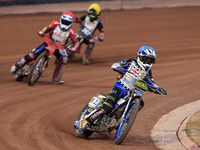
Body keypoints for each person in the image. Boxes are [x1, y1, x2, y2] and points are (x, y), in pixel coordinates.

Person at [78, 46, 167, 130]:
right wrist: (119, 68)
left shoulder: (147, 72)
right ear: (139, 57)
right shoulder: (131, 62)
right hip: (120, 87)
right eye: (146, 59)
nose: (147, 62)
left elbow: (152, 83)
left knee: (141, 103)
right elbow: (118, 65)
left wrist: (159, 89)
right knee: (108, 107)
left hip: (133, 92)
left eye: (150, 60)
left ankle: (123, 119)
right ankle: (86, 121)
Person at [10, 11, 80, 84]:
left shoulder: (71, 32)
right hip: (49, 42)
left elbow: (77, 41)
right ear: (61, 19)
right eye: (64, 21)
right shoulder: (55, 23)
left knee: (64, 58)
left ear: (71, 23)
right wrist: (42, 31)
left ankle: (56, 78)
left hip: (59, 47)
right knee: (33, 54)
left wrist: (74, 48)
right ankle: (17, 65)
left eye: (67, 22)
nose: (65, 23)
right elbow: (48, 28)